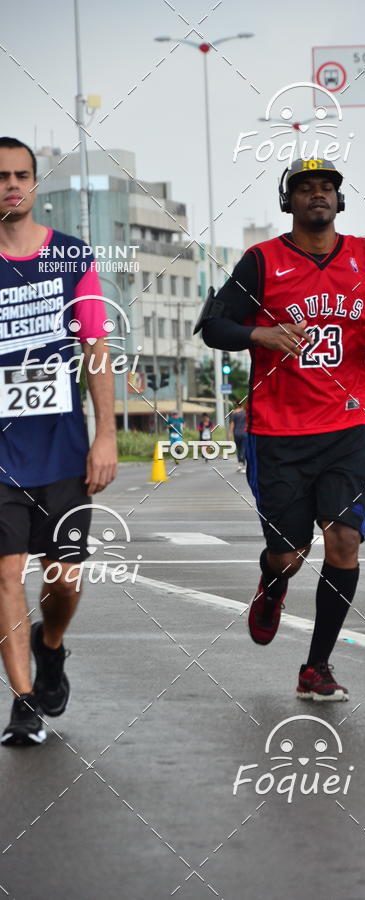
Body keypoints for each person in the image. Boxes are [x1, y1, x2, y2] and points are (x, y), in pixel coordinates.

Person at [202, 157, 365, 701]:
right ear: (288, 201)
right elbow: (213, 327)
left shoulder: (362, 255)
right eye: (305, 188)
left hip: (343, 429)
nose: (318, 195)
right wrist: (260, 335)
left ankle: (317, 666)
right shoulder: (261, 261)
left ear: (340, 200)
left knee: (345, 542)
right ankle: (272, 582)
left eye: (327, 188)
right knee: (290, 555)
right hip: (278, 433)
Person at [0, 137, 117, 746]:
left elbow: (96, 350)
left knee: (63, 579)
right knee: (5, 574)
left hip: (63, 446)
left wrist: (106, 436)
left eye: (21, 175)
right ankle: (22, 704)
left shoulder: (71, 256)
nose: (11, 185)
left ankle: (51, 647)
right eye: (0, 176)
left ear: (35, 183)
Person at [229, 399, 247, 473]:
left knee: (238, 449)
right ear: (242, 404)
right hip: (245, 433)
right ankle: (243, 465)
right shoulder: (245, 413)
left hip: (236, 433)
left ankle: (239, 464)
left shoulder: (233, 413)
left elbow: (232, 424)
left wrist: (230, 433)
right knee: (243, 449)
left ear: (236, 405)